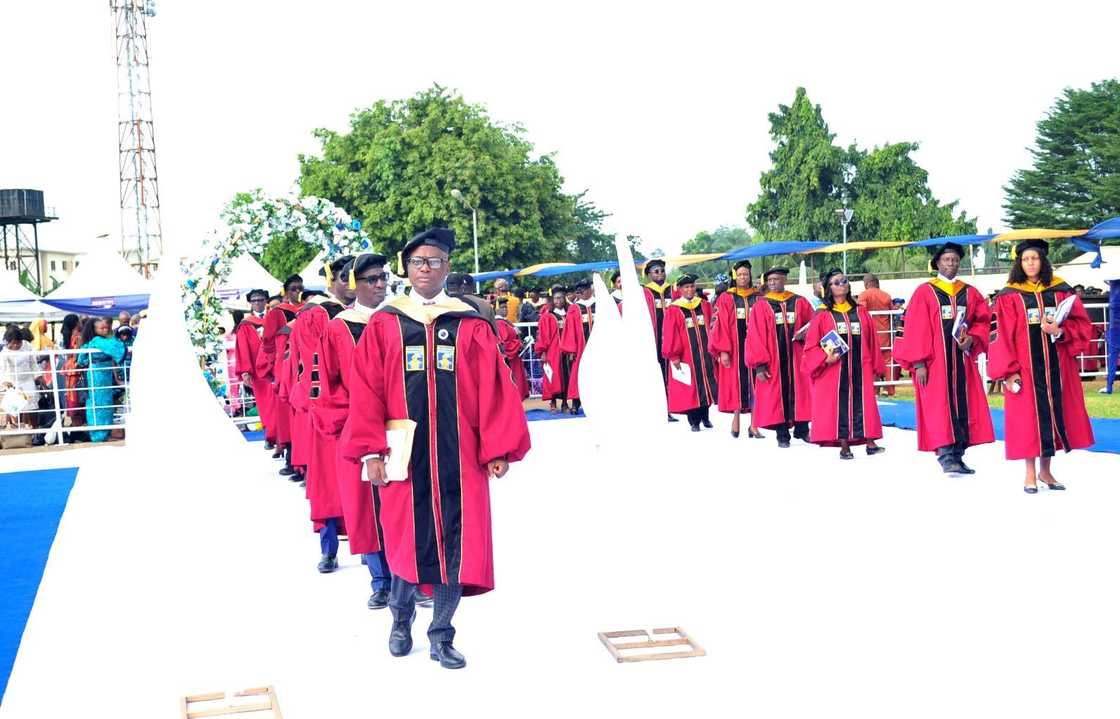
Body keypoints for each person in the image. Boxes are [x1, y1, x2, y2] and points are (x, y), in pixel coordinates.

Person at [343, 227, 532, 670]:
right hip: (403, 455)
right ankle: (400, 619)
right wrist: (371, 452)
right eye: (417, 263)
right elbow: (365, 390)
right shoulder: (386, 323)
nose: (426, 270)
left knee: (455, 547)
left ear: (447, 267)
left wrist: (498, 448)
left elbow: (493, 388)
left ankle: (442, 634)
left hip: (459, 457)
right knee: (407, 544)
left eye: (434, 262)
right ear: (405, 270)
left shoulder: (468, 322)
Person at [311, 253, 395, 607]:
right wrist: (353, 423)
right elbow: (329, 386)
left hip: (401, 426)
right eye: (370, 279)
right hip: (358, 427)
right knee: (366, 508)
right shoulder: (338, 327)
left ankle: (410, 577)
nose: (379, 285)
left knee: (402, 504)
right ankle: (380, 581)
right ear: (352, 283)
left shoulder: (399, 319)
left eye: (383, 279)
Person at [986, 240, 1094, 493]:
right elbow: (1000, 335)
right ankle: (1029, 473)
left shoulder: (1061, 290)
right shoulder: (1008, 295)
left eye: (1035, 258)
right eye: (1025, 259)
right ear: (1019, 263)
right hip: (1024, 369)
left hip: (1056, 368)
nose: (1031, 263)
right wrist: (1008, 372)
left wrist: (1060, 331)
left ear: (1043, 261)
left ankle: (1046, 471)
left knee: (1054, 414)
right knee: (1027, 420)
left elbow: (1083, 326)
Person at [894, 242, 995, 474]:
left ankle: (958, 455)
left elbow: (983, 320)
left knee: (963, 406)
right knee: (939, 407)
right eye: (947, 260)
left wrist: (972, 338)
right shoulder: (925, 291)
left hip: (961, 361)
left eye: (955, 260)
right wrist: (919, 363)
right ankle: (945, 455)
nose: (951, 263)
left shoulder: (970, 292)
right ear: (937, 263)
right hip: (935, 363)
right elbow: (915, 329)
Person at [292, 258, 354, 571]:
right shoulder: (316, 315)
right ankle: (329, 549)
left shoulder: (373, 315)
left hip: (366, 413)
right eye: (345, 277)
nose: (352, 284)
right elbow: (314, 368)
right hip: (330, 415)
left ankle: (381, 562)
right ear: (331, 281)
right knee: (329, 483)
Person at [803, 269, 885, 459]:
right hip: (835, 370)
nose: (842, 284)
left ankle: (870, 441)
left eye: (844, 281)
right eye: (837, 282)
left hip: (860, 367)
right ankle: (844, 445)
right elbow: (811, 346)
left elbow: (871, 340)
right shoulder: (822, 315)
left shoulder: (860, 311)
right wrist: (824, 359)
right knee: (838, 405)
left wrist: (876, 367)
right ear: (829, 288)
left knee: (864, 403)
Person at [745, 267, 814, 447]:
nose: (773, 283)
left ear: (785, 279)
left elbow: (813, 325)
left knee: (802, 393)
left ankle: (802, 429)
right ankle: (782, 434)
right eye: (770, 280)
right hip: (774, 360)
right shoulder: (761, 306)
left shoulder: (799, 302)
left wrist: (806, 334)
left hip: (797, 357)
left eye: (776, 279)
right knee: (777, 397)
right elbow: (755, 336)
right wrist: (759, 365)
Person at [709, 260, 762, 438]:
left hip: (755, 347)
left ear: (750, 275)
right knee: (736, 385)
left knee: (756, 383)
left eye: (745, 274)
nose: (743, 277)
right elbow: (719, 325)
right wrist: (723, 350)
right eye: (739, 274)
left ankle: (754, 425)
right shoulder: (726, 298)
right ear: (734, 276)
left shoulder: (758, 297)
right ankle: (736, 419)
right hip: (734, 349)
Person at [259, 275, 304, 473]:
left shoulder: (309, 310)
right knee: (286, 416)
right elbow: (268, 343)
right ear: (285, 292)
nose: (297, 292)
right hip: (284, 367)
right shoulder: (277, 313)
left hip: (302, 366)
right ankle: (290, 459)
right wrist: (273, 368)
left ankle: (302, 463)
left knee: (300, 416)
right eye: (293, 289)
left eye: (300, 288)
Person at [662, 274, 718, 432]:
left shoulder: (704, 305)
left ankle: (705, 417)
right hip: (686, 356)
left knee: (706, 384)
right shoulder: (673, 309)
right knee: (690, 388)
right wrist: (673, 356)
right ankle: (694, 421)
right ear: (679, 290)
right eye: (686, 287)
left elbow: (712, 327)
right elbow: (670, 333)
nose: (690, 289)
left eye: (692, 286)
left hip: (704, 354)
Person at [75, 317, 126, 442]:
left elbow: (81, 360)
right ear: (94, 330)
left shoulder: (91, 342)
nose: (105, 330)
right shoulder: (98, 341)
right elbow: (116, 347)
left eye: (106, 328)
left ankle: (101, 433)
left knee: (99, 403)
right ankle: (100, 434)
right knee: (101, 404)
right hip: (99, 375)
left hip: (99, 374)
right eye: (101, 328)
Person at [641, 259, 676, 422]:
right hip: (654, 340)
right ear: (649, 274)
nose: (660, 274)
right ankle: (662, 409)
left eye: (662, 270)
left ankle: (675, 405)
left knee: (673, 373)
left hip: (673, 339)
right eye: (656, 271)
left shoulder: (673, 290)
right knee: (658, 373)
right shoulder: (644, 292)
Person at [236, 289, 272, 443]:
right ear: (250, 303)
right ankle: (270, 434)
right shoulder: (246, 325)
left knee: (278, 404)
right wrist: (245, 371)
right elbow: (243, 348)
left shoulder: (274, 318)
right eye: (254, 300)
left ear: (266, 301)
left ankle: (282, 437)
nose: (258, 303)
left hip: (276, 369)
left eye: (261, 300)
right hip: (258, 372)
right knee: (264, 405)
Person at [560, 278, 597, 415]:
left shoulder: (599, 305)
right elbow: (569, 330)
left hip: (599, 346)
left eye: (584, 290)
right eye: (579, 291)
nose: (581, 293)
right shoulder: (574, 309)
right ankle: (576, 403)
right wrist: (571, 349)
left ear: (589, 290)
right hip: (582, 347)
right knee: (579, 374)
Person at [858, 273, 896, 397]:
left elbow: (860, 313)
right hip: (885, 333)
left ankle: (874, 389)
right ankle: (889, 389)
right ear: (876, 282)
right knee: (888, 361)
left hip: (870, 334)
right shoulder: (886, 295)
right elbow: (892, 313)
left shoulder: (863, 295)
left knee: (871, 360)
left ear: (867, 283)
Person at [535, 285, 572, 413]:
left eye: (561, 298)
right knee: (552, 376)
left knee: (566, 377)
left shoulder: (569, 314)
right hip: (552, 352)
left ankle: (565, 403)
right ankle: (553, 403)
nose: (558, 301)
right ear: (552, 300)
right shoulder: (548, 316)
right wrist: (543, 352)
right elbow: (544, 335)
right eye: (556, 298)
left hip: (566, 352)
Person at [1, 325, 40, 431]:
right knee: (14, 409)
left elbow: (33, 363)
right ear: (8, 342)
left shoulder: (27, 346)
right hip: (13, 382)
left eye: (18, 343)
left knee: (31, 408)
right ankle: (17, 432)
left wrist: (38, 377)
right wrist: (5, 382)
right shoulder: (5, 352)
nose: (15, 345)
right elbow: (3, 370)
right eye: (13, 343)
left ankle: (34, 431)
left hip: (28, 380)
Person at [1103, 278, 1120, 394]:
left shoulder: (1114, 301)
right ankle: (1108, 386)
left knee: (1112, 358)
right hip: (1114, 328)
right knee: (1112, 358)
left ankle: (1109, 386)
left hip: (1115, 329)